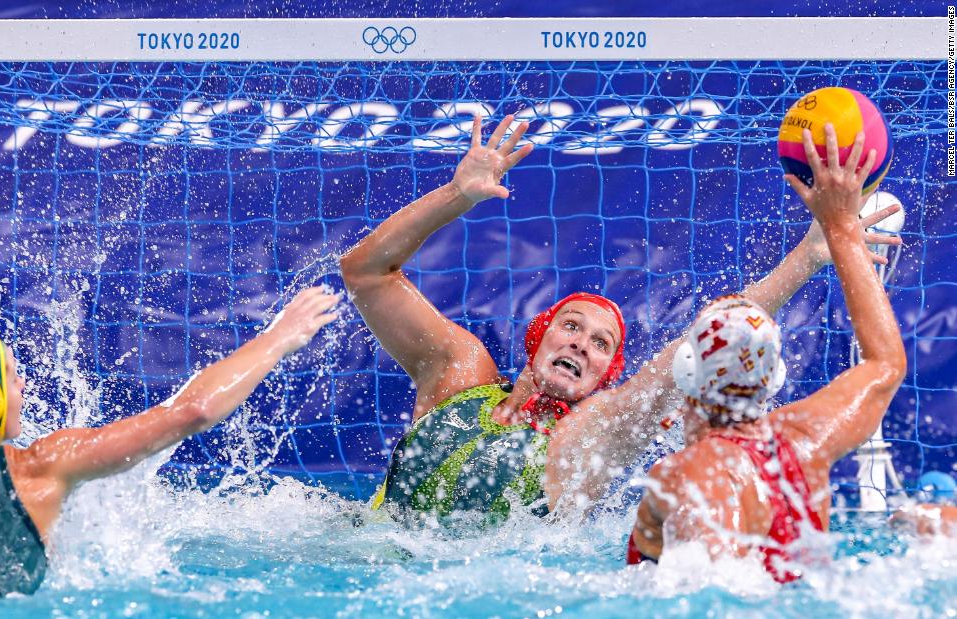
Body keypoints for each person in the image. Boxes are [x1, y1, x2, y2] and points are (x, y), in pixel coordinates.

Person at [339, 116, 902, 522]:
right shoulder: (457, 376)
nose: (583, 344)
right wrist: (457, 196)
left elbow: (711, 334)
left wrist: (808, 256)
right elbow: (366, 273)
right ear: (539, 339)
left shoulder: (589, 437)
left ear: (606, 379)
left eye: (602, 343)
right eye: (573, 327)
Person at [0, 286, 340, 595]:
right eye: (9, 374)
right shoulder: (42, 467)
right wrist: (280, 337)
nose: (22, 385)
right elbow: (193, 410)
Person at [627, 124, 907, 583]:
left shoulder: (684, 474)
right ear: (773, 378)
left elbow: (713, 594)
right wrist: (841, 229)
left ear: (686, 371)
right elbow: (885, 364)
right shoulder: (807, 442)